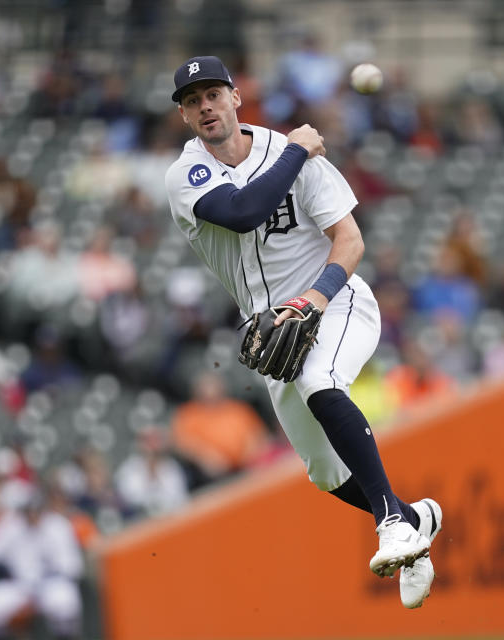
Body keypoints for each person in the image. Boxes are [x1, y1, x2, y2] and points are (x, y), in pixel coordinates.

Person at [164, 56, 442, 609]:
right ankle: (416, 520)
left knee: (320, 380)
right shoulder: (187, 174)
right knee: (323, 471)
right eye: (192, 101)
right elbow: (244, 211)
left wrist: (315, 299)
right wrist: (298, 149)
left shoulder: (292, 153)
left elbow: (351, 241)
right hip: (272, 334)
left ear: (236, 97)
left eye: (213, 94)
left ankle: (391, 521)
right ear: (185, 115)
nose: (205, 107)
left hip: (334, 303)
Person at [0, 492, 83, 639]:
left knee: (65, 598)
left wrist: (52, 575)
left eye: (36, 510)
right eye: (29, 511)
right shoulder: (11, 525)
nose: (33, 515)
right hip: (20, 586)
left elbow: (72, 566)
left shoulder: (57, 526)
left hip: (49, 585)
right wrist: (6, 572)